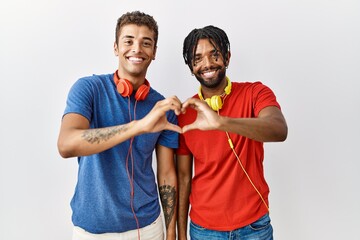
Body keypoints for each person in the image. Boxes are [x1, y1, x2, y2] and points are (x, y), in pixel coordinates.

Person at [57, 11, 181, 240]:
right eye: (129, 40)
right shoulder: (88, 89)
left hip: (148, 229)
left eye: (146, 43)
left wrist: (171, 231)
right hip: (92, 232)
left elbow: (166, 174)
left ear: (154, 52)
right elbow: (66, 144)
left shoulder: (162, 108)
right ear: (116, 47)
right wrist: (139, 126)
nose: (137, 48)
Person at [176, 25, 288, 240]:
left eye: (214, 55)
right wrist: (181, 234)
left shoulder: (255, 92)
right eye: (197, 59)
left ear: (227, 58)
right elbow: (183, 178)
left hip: (255, 226)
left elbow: (278, 129)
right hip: (203, 230)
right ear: (191, 67)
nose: (207, 64)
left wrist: (222, 122)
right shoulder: (185, 114)